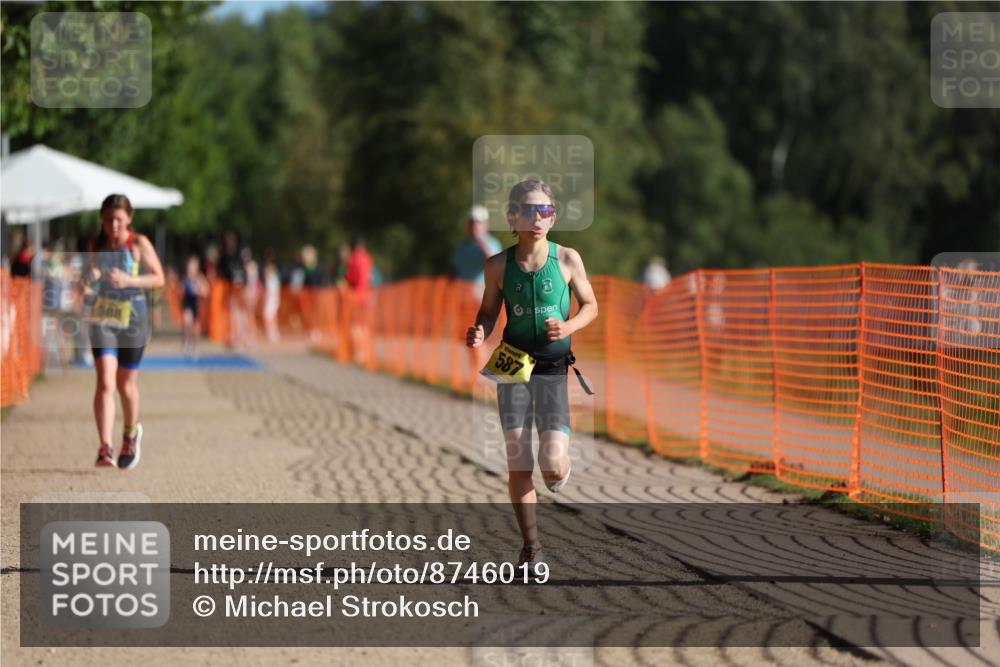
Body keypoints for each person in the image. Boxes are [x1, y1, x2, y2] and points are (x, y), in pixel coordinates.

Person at [466, 180, 598, 568]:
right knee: (518, 461)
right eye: (528, 210)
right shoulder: (497, 266)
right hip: (514, 365)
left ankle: (559, 469)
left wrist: (569, 326)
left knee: (553, 464)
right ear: (512, 217)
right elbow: (488, 312)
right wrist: (479, 331)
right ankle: (531, 549)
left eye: (544, 211)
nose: (537, 218)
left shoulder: (568, 259)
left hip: (553, 367)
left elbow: (591, 306)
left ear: (553, 216)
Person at [84, 194, 164, 469]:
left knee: (125, 385)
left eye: (118, 219)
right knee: (105, 380)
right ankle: (105, 448)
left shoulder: (139, 243)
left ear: (129, 218)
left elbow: (159, 277)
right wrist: (87, 283)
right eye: (108, 220)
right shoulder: (97, 244)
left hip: (134, 318)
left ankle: (131, 434)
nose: (113, 225)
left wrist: (130, 279)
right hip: (104, 316)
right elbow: (92, 273)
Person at [453, 205, 503, 299]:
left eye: (478, 223)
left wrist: (481, 241)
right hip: (462, 294)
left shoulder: (493, 243)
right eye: (472, 222)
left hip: (483, 295)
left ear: (486, 225)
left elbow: (496, 266)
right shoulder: (462, 247)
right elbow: (456, 270)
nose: (474, 226)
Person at [345, 234, 373, 363]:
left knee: (355, 324)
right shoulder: (367, 257)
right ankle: (365, 351)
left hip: (355, 294)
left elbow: (351, 278)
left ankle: (358, 353)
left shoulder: (353, 259)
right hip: (367, 294)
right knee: (363, 324)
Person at [181, 256, 209, 358]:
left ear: (196, 268)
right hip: (187, 303)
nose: (190, 269)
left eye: (192, 267)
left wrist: (199, 290)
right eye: (189, 266)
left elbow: (206, 291)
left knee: (195, 328)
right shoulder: (185, 278)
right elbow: (180, 290)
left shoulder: (199, 278)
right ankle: (186, 343)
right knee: (186, 322)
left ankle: (194, 347)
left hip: (196, 304)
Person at [262, 249, 282, 342]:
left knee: (270, 314)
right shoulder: (269, 273)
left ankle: (272, 331)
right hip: (270, 297)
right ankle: (270, 331)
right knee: (269, 314)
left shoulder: (273, 275)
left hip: (272, 297)